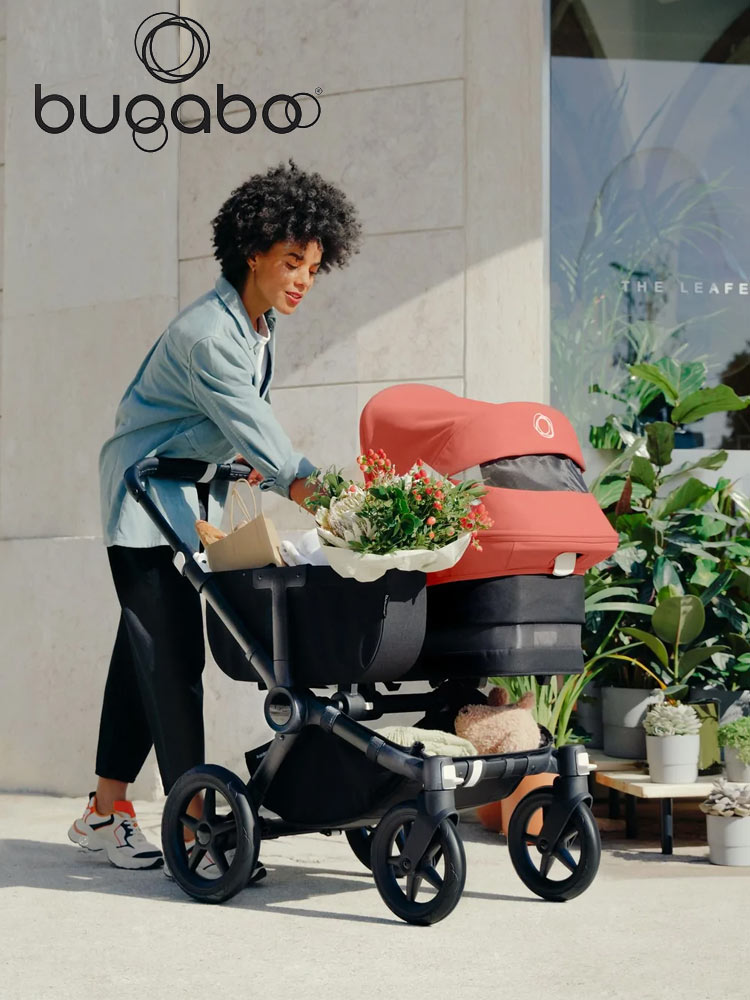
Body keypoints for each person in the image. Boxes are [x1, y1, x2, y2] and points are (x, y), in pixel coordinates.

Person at [68, 160, 362, 872]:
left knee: (141, 654)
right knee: (172, 661)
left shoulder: (254, 325)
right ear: (253, 251)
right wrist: (345, 507)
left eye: (314, 268)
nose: (303, 280)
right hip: (144, 499)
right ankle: (192, 826)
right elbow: (270, 445)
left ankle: (105, 813)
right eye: (293, 262)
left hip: (182, 492)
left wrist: (247, 462)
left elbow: (235, 430)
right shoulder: (210, 334)